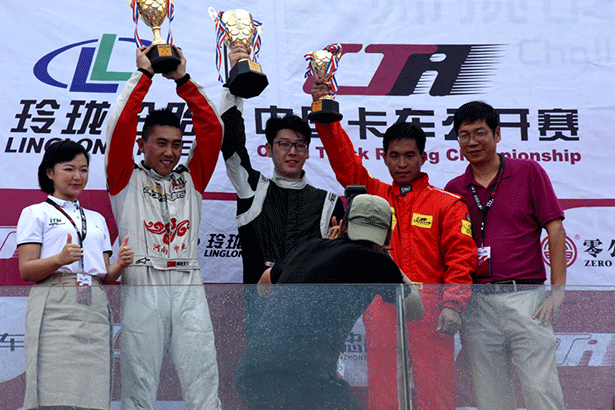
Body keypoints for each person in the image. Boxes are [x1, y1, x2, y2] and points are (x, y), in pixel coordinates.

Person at [312, 79, 477, 410]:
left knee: (436, 389)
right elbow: (344, 162)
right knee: (384, 389)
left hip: (432, 308)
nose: (402, 164)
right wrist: (324, 113)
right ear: (384, 157)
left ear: (423, 157)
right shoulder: (373, 195)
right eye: (395, 156)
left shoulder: (447, 204)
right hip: (382, 305)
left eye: (409, 156)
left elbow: (462, 257)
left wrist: (453, 304)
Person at [105, 44, 223, 410]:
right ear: (142, 145)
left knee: (204, 382)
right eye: (160, 143)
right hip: (143, 282)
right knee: (138, 384)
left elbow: (213, 130)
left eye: (176, 145)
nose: (170, 152)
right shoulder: (124, 178)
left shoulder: (192, 177)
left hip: (188, 282)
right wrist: (144, 76)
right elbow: (119, 126)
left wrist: (183, 81)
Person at [236, 194, 423, 410]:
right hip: (305, 378)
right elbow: (415, 309)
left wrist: (323, 250)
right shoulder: (377, 260)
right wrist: (388, 259)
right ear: (388, 237)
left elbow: (263, 287)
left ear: (342, 226)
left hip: (252, 374)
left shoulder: (309, 247)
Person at [444, 101, 566, 410]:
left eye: (480, 133)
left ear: (497, 134)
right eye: (464, 135)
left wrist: (558, 291)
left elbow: (554, 228)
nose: (472, 141)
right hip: (477, 303)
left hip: (526, 298)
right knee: (491, 397)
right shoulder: (454, 189)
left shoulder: (528, 172)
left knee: (541, 390)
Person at [219, 45, 344, 339]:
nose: (292, 152)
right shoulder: (253, 189)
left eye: (300, 145)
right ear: (269, 149)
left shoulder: (329, 203)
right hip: (260, 316)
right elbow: (232, 144)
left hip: (311, 320)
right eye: (284, 144)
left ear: (308, 152)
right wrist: (234, 84)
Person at [17, 140, 134, 410]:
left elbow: (105, 276)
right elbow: (26, 269)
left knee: (93, 394)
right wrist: (59, 260)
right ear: (50, 172)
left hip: (94, 306)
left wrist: (120, 263)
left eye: (84, 169)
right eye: (69, 169)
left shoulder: (96, 218)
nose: (77, 176)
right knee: (52, 393)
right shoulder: (35, 213)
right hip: (54, 305)